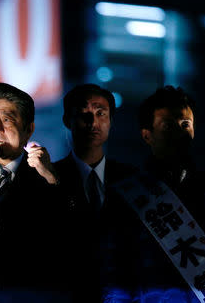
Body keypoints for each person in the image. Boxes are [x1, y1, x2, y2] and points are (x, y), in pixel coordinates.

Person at [0, 81, 70, 302]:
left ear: (29, 129)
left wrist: (51, 179)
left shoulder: (51, 177)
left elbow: (76, 238)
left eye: (7, 120)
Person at [131, 85, 205, 302]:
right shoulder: (128, 195)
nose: (179, 133)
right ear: (147, 135)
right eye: (168, 126)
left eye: (185, 124)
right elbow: (114, 267)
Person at [53, 83, 137, 302]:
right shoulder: (50, 178)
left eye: (101, 114)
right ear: (66, 121)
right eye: (83, 114)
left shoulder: (132, 179)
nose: (93, 123)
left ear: (110, 121)